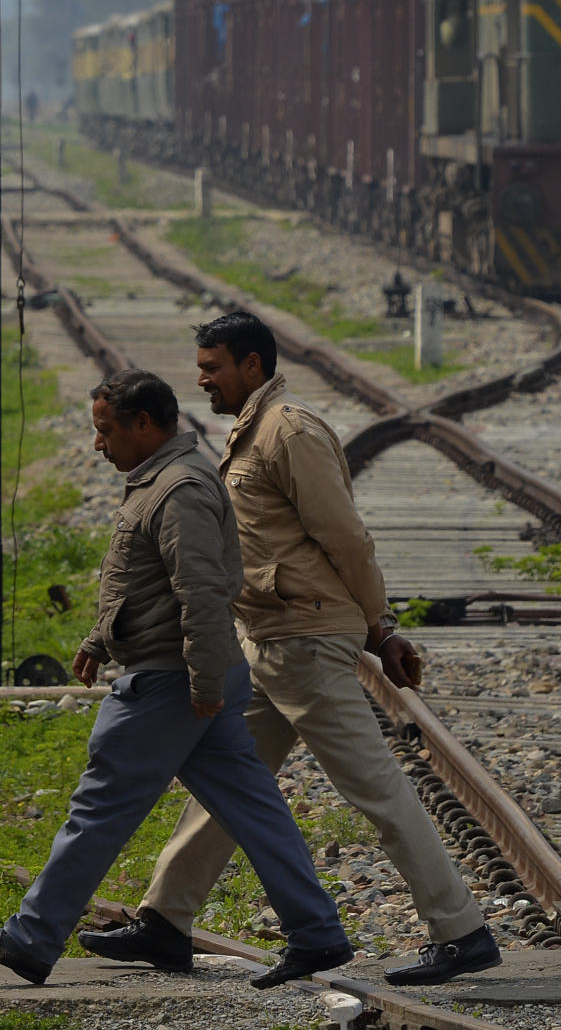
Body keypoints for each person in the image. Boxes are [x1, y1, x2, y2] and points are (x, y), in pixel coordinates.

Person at [80, 311, 500, 987]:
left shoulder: (290, 430)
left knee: (377, 788)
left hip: (304, 637)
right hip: (269, 640)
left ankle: (461, 929)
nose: (201, 377)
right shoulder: (252, 430)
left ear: (252, 365)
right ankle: (165, 919)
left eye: (213, 365)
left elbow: (346, 538)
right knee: (225, 781)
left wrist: (381, 626)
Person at [0, 370, 352, 990]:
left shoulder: (180, 489)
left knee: (100, 806)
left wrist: (207, 686)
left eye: (105, 431)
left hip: (172, 684)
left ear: (144, 424)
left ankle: (31, 939)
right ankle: (318, 932)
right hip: (190, 678)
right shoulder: (161, 480)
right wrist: (97, 640)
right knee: (254, 807)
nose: (97, 444)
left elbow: (202, 594)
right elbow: (147, 583)